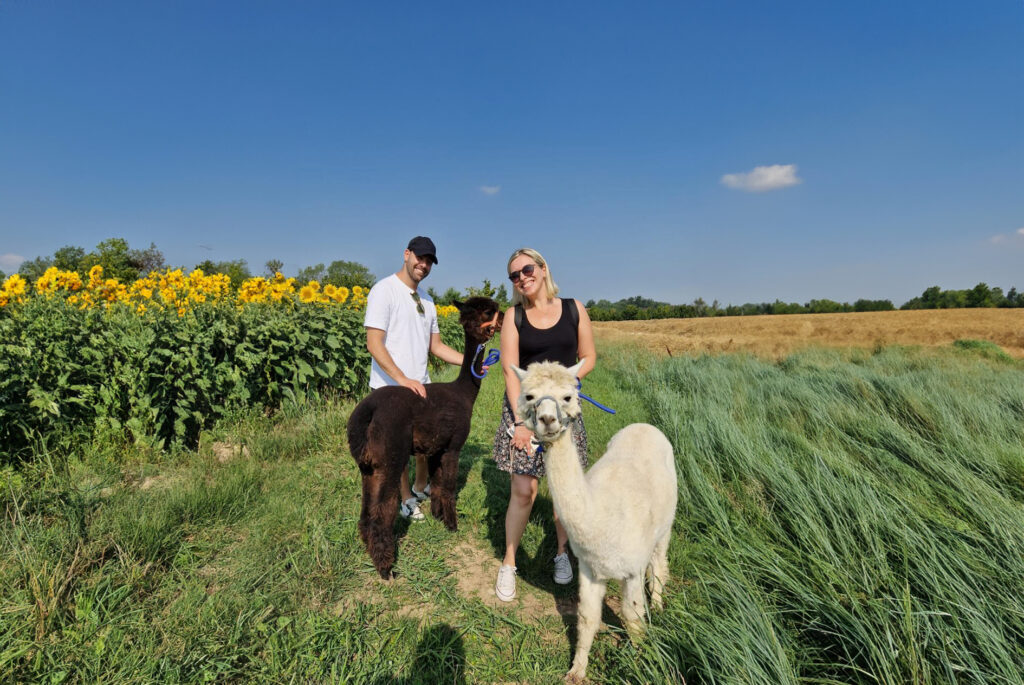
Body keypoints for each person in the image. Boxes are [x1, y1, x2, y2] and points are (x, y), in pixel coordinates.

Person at [492, 247, 596, 602]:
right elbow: (509, 370)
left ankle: (561, 554)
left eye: (527, 269)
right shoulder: (514, 317)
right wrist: (520, 422)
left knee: (563, 490)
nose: (522, 277)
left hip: (563, 411)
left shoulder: (573, 308)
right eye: (515, 275)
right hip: (527, 409)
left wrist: (564, 380)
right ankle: (509, 562)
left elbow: (589, 356)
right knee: (525, 491)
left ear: (543, 267)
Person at [364, 236, 465, 521]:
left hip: (421, 383)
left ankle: (422, 485)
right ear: (406, 254)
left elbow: (437, 347)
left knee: (424, 442)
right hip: (390, 387)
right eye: (420, 257)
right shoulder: (384, 291)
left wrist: (472, 363)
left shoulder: (428, 301)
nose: (424, 264)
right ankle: (405, 498)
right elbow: (374, 343)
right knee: (398, 448)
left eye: (430, 261)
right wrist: (402, 379)